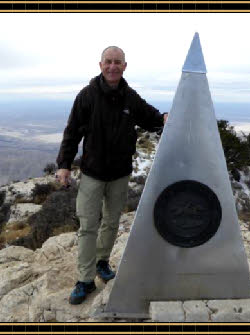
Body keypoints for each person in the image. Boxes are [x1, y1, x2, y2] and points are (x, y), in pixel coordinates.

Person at [55, 46, 168, 305]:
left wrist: (164, 118)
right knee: (87, 227)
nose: (113, 66)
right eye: (108, 62)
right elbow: (72, 132)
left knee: (111, 222)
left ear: (125, 66)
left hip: (120, 173)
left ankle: (102, 262)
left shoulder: (130, 96)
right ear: (100, 65)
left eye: (118, 62)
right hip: (93, 173)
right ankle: (84, 280)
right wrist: (64, 164)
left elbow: (150, 117)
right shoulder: (87, 96)